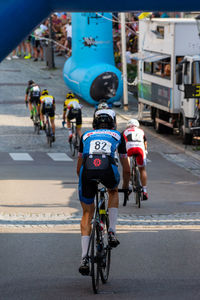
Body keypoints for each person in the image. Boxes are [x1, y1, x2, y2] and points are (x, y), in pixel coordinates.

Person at [77, 113, 130, 275]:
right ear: (113, 125)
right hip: (107, 168)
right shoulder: (118, 135)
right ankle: (112, 231)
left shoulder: (86, 135)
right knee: (113, 191)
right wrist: (126, 187)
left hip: (87, 169)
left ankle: (84, 257)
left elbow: (79, 166)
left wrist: (84, 182)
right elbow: (126, 168)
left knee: (87, 213)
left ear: (94, 125)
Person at [123, 119, 148, 200]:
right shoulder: (141, 131)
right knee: (142, 169)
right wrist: (145, 150)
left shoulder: (125, 131)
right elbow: (145, 143)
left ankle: (130, 184)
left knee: (128, 165)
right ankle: (144, 190)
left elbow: (122, 143)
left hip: (130, 149)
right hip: (140, 149)